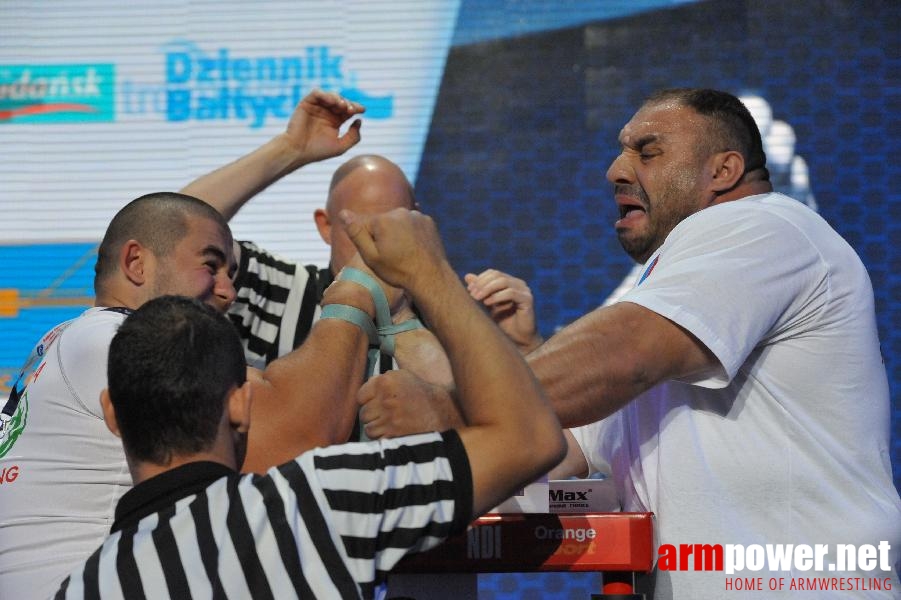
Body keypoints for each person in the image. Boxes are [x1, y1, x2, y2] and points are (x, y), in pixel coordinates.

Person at [359, 88, 901, 598]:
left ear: (724, 171)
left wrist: (449, 394)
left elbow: (622, 354)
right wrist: (413, 326)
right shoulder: (679, 297)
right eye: (622, 152)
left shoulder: (765, 226)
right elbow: (553, 447)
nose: (616, 171)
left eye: (648, 151)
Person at [53, 207, 566, 599]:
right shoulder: (317, 498)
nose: (227, 291)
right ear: (241, 403)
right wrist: (428, 274)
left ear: (113, 416)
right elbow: (531, 439)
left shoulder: (88, 585)